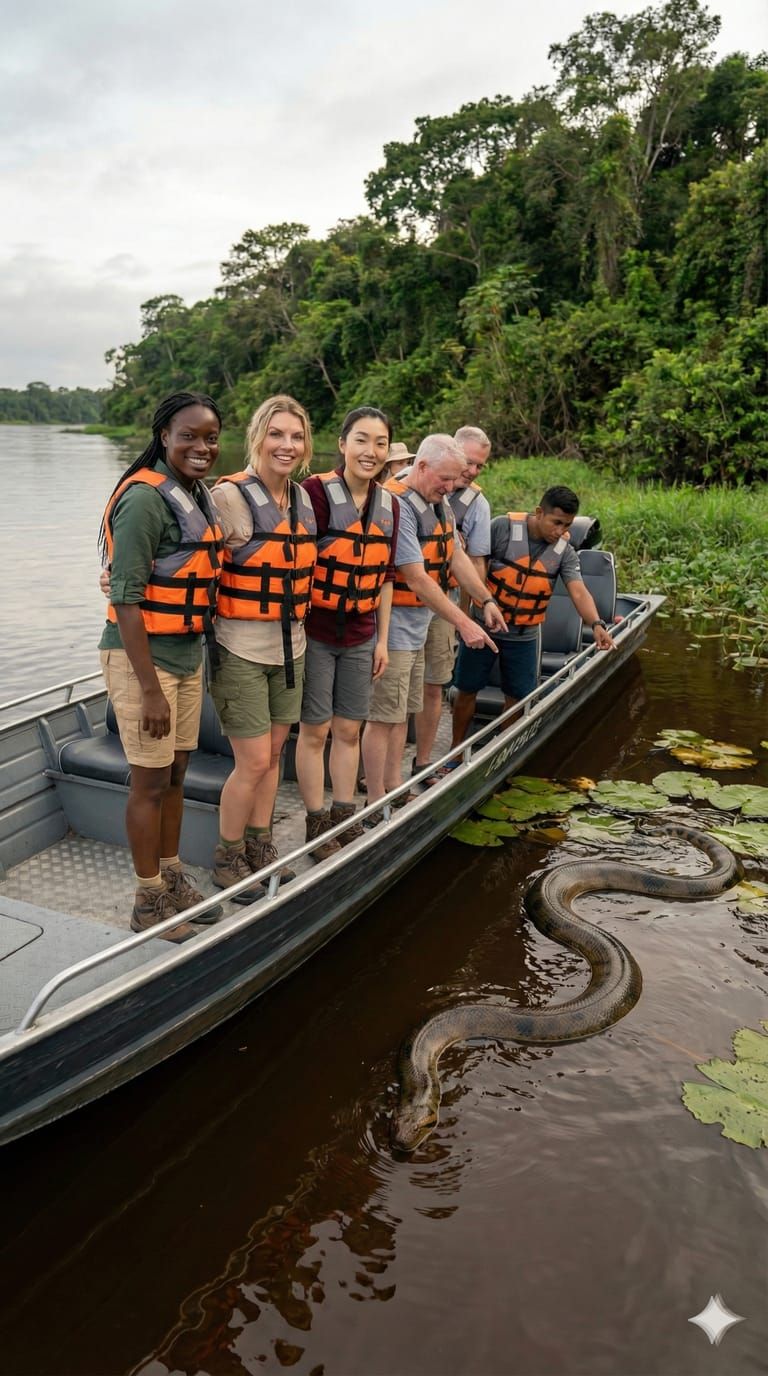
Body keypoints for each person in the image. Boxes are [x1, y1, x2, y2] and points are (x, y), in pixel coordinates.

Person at [98, 392, 224, 941]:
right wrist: (150, 691)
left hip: (185, 653)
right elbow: (126, 600)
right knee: (148, 783)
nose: (202, 446)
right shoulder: (146, 499)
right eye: (189, 435)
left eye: (211, 437)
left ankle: (172, 877)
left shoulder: (195, 494)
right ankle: (147, 899)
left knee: (176, 774)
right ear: (164, 436)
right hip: (141, 661)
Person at [208, 395, 316, 902]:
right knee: (251, 762)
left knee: (274, 756)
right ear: (257, 437)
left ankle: (260, 844)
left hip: (291, 651)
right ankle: (228, 856)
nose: (287, 445)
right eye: (276, 434)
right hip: (240, 649)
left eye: (296, 436)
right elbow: (188, 555)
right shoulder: (229, 497)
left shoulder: (301, 499)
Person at [360, 434, 506, 805]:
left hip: (419, 625)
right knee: (384, 716)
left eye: (456, 479)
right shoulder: (397, 504)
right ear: (421, 466)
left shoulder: (438, 502)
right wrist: (464, 622)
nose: (452, 486)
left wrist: (484, 598)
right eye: (446, 478)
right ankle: (375, 799)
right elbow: (417, 578)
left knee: (402, 713)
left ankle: (393, 786)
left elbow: (456, 555)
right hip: (393, 627)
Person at [296, 407, 400, 858]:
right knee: (315, 731)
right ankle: (316, 822)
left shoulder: (390, 503)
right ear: (342, 444)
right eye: (361, 440)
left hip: (360, 633)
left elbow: (387, 577)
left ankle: (343, 813)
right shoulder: (315, 492)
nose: (370, 451)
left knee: (349, 730)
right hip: (317, 631)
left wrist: (381, 640)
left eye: (380, 443)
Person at [450, 485, 617, 749]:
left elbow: (578, 591)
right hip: (484, 627)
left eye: (567, 525)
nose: (561, 531)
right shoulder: (501, 528)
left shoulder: (565, 551)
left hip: (523, 635)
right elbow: (473, 568)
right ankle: (456, 750)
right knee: (466, 689)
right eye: (557, 522)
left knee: (517, 697)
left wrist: (596, 624)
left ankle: (500, 750)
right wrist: (465, 617)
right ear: (540, 512)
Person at [413, 425, 493, 777]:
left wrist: (475, 607)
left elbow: (470, 559)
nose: (471, 472)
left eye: (479, 466)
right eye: (468, 464)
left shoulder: (470, 504)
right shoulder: (402, 489)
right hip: (401, 605)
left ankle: (423, 761)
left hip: (444, 603)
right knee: (394, 691)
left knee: (434, 684)